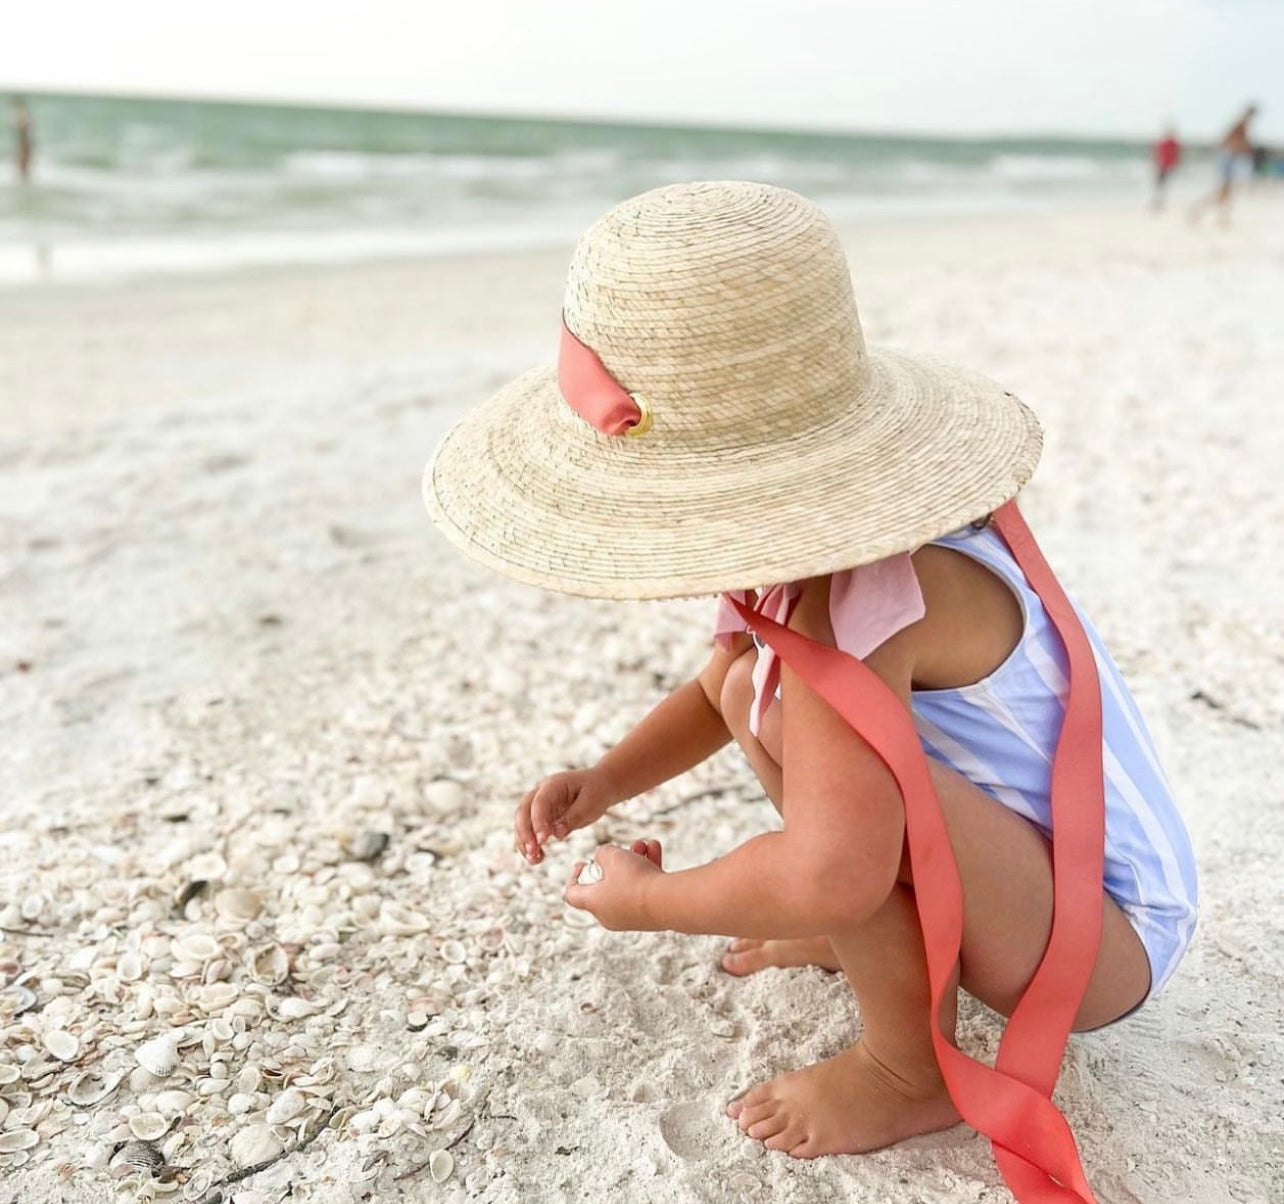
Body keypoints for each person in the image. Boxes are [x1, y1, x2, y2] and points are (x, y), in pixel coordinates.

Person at [422, 182, 1198, 1199]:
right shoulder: (809, 554)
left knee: (789, 715)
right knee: (757, 685)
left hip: (1103, 936)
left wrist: (653, 901)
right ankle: (882, 941)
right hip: (1038, 874)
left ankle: (905, 1069)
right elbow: (717, 689)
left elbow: (835, 862)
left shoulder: (863, 593)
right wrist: (607, 777)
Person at [1190, 104, 1259, 224]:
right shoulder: (1241, 124)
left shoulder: (1241, 123)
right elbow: (1232, 141)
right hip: (1229, 159)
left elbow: (1230, 141)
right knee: (1224, 191)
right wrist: (1246, 150)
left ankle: (1219, 216)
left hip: (1229, 158)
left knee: (1226, 191)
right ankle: (1202, 211)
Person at [1151, 125, 1182, 209]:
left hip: (1167, 166)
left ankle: (1160, 202)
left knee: (1163, 185)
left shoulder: (1173, 144)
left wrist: (1176, 164)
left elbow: (1177, 155)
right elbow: (1157, 154)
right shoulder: (1164, 143)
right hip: (1162, 166)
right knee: (1160, 185)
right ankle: (1158, 202)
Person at [10, 96, 33, 184]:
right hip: (24, 143)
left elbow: (23, 129)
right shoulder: (25, 117)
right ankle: (24, 178)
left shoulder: (24, 117)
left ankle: (24, 178)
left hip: (24, 143)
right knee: (24, 162)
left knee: (23, 161)